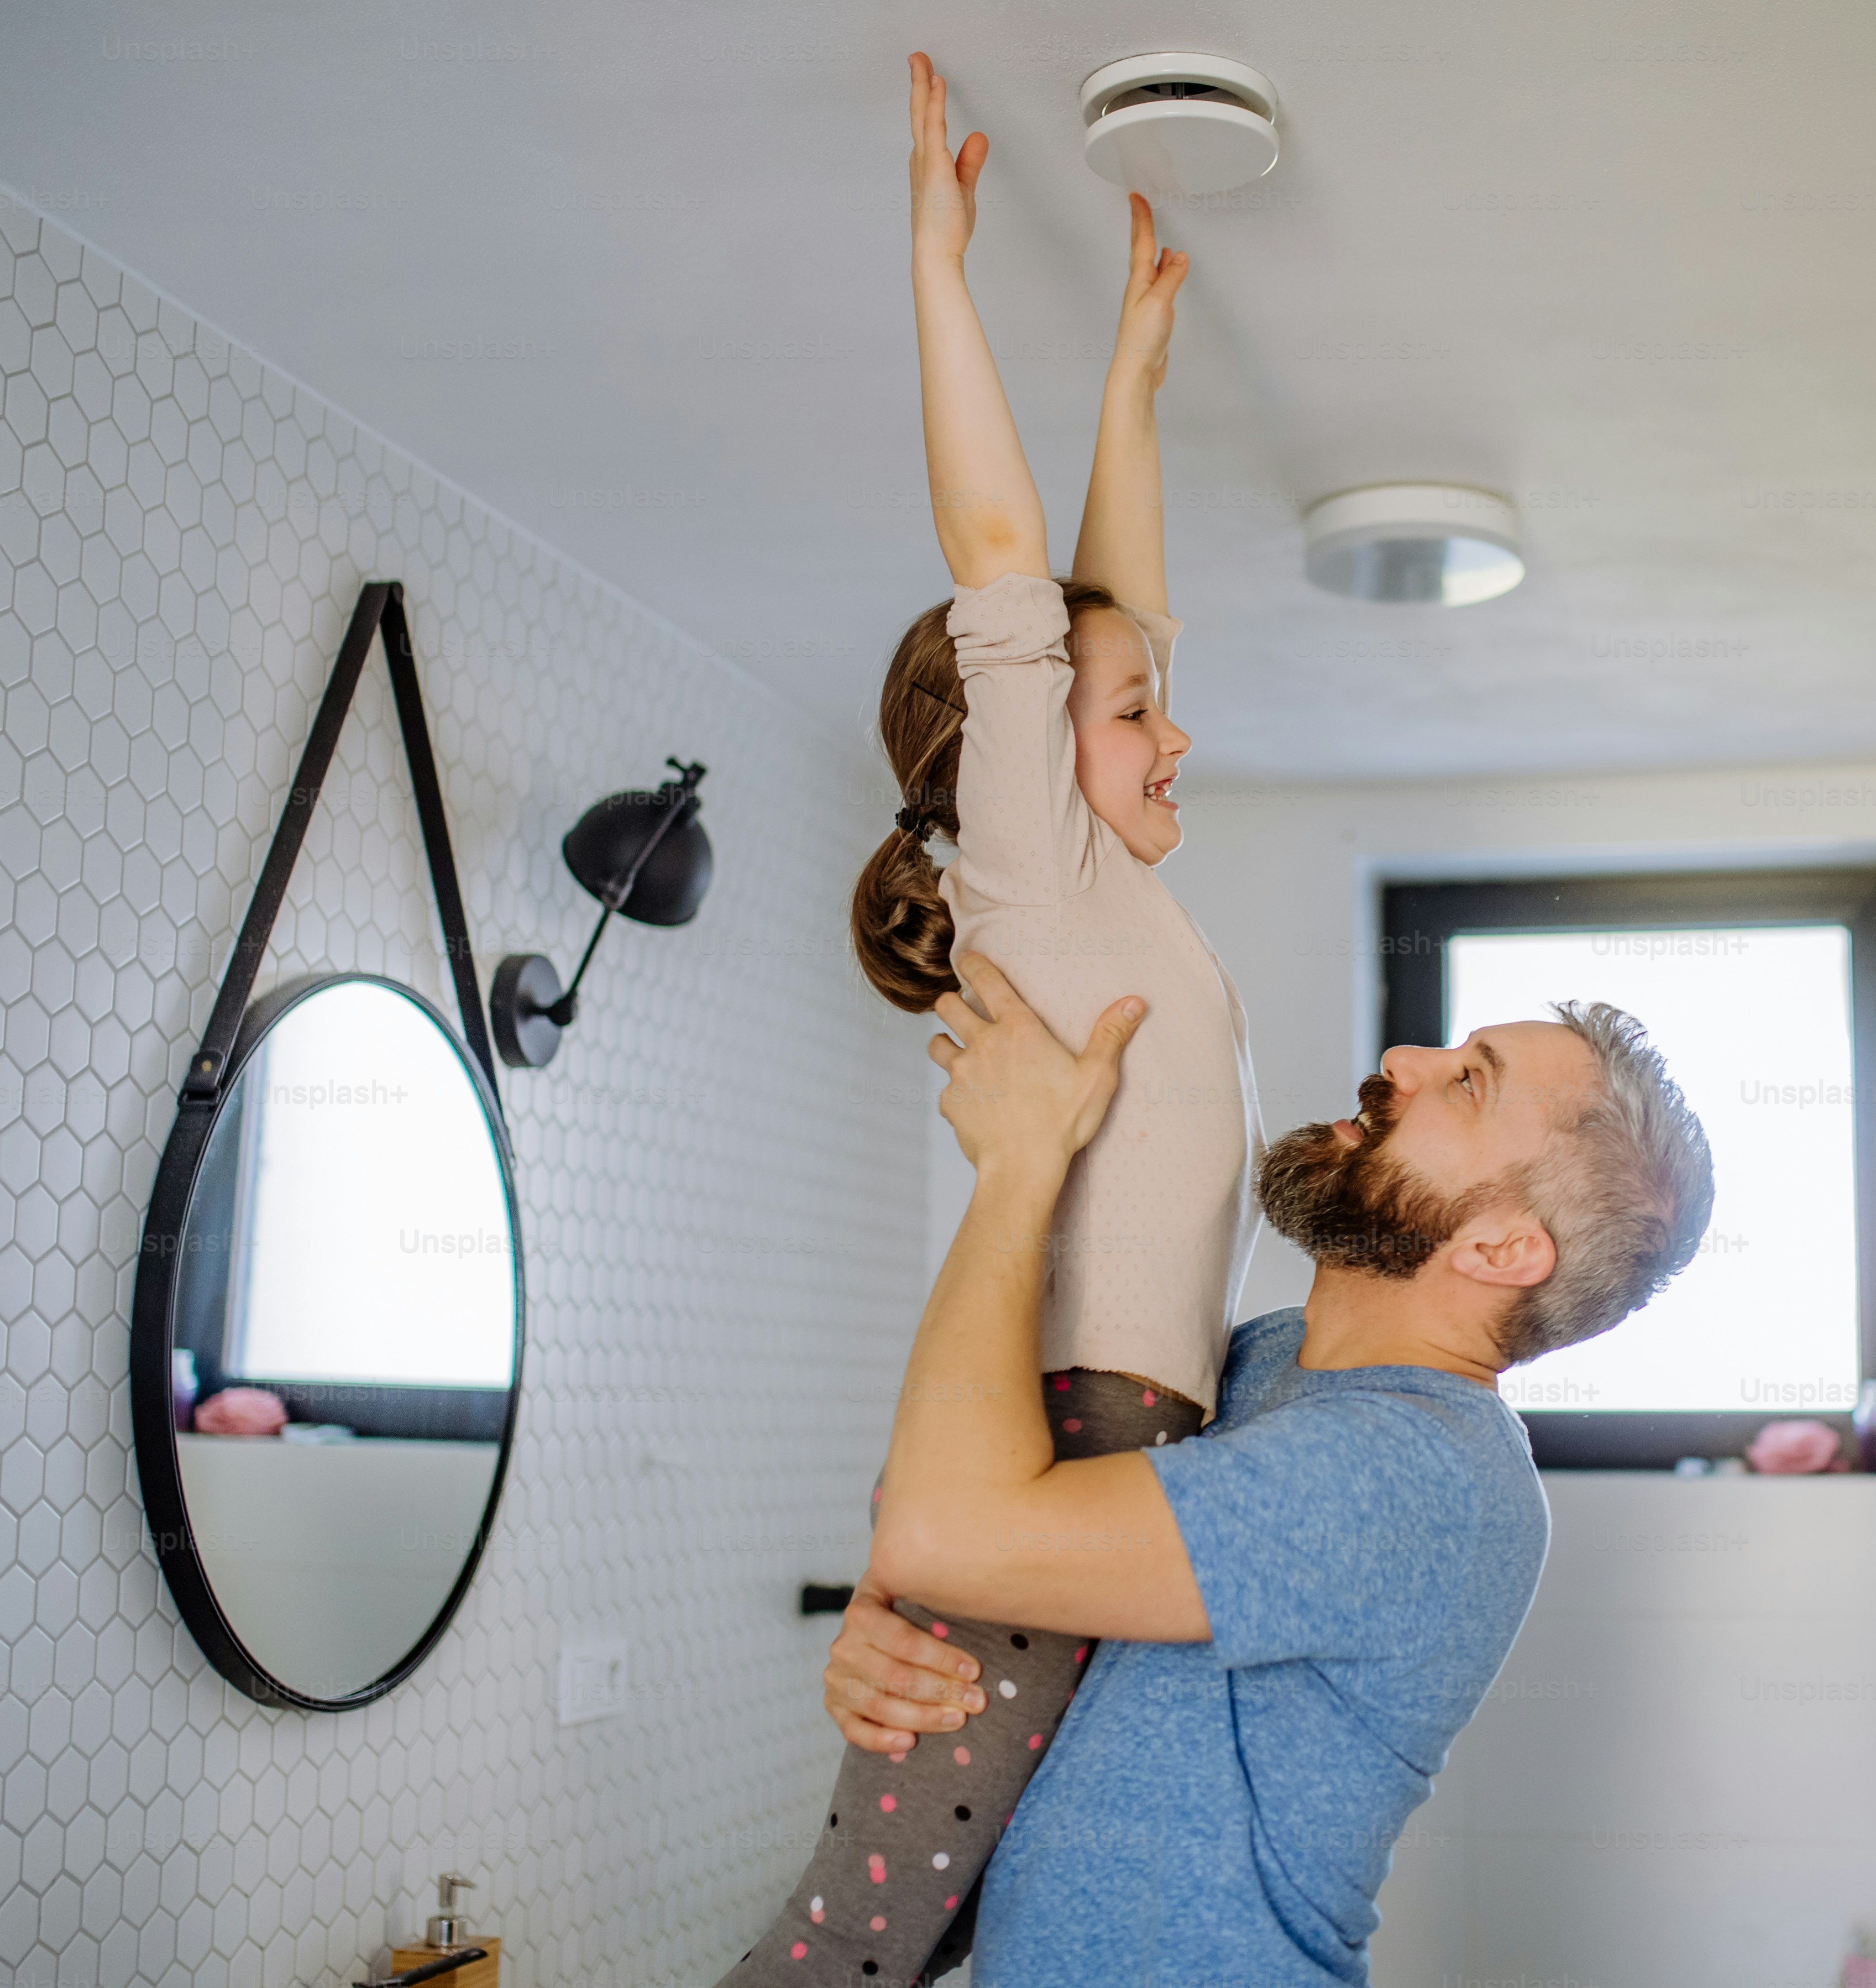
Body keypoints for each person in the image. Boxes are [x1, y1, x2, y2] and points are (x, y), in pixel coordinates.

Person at [726, 53, 1260, 1987]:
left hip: (1110, 1436)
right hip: (1060, 1427)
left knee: (946, 1924)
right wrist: (936, 266)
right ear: (1017, 756)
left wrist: (1132, 385)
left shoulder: (1114, 891)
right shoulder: (1029, 871)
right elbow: (1007, 571)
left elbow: (1120, 611)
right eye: (1126, 713)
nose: (1170, 721)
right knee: (863, 1937)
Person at [806, 956, 1713, 1984]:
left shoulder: (1421, 1476)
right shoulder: (1267, 1357)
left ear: (1502, 1248)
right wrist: (900, 1628)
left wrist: (1019, 1165)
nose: (1402, 1059)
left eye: (1468, 1081)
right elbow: (963, 1535)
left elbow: (948, 1533)